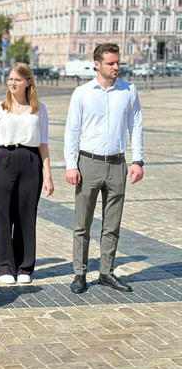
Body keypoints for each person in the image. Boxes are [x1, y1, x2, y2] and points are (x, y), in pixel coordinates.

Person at [64, 43, 143, 294]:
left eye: (118, 62)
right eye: (111, 63)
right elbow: (71, 131)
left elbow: (136, 126)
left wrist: (138, 160)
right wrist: (70, 165)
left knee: (112, 224)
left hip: (118, 164)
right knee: (82, 223)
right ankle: (80, 273)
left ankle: (106, 273)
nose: (116, 67)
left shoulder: (128, 91)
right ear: (97, 64)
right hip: (88, 163)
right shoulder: (82, 93)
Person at [0, 63, 54, 285]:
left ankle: (24, 266)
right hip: (3, 160)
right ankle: (3, 266)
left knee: (25, 215)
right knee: (1, 215)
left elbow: (43, 144)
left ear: (28, 82)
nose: (12, 83)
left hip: (30, 161)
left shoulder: (39, 109)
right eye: (10, 79)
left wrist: (48, 175)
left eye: (17, 79)